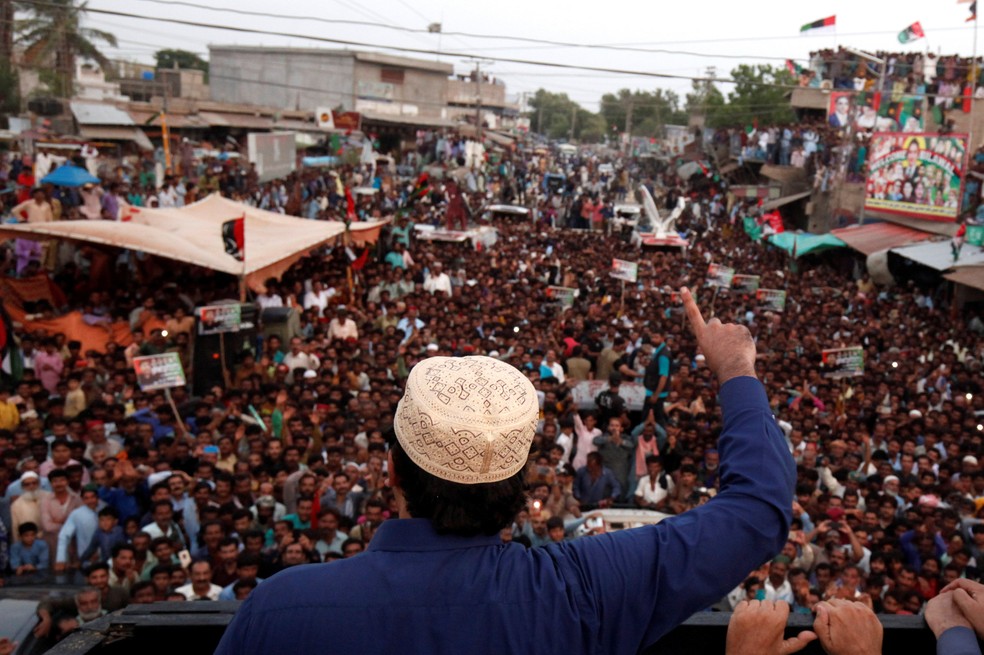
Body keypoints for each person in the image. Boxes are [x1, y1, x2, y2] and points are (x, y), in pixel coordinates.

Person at [215, 287, 796, 655]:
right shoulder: (579, 592)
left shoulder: (280, 611)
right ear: (522, 487)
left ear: (391, 470)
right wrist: (736, 369)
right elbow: (755, 513)